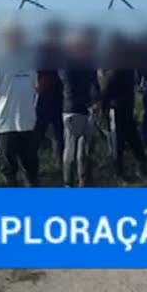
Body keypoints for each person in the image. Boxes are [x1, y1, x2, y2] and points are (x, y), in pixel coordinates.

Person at [0, 21, 39, 187]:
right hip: (5, 124)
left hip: (27, 123)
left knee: (31, 166)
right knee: (9, 168)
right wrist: (1, 100)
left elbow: (35, 87)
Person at [58, 30, 101, 188]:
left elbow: (95, 84)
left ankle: (83, 181)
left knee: (84, 149)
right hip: (73, 110)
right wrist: (90, 101)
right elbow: (69, 89)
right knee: (71, 148)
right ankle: (68, 182)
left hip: (87, 109)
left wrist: (96, 100)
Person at [34, 20, 65, 172]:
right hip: (47, 96)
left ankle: (59, 164)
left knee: (57, 133)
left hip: (55, 96)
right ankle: (33, 165)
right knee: (41, 132)